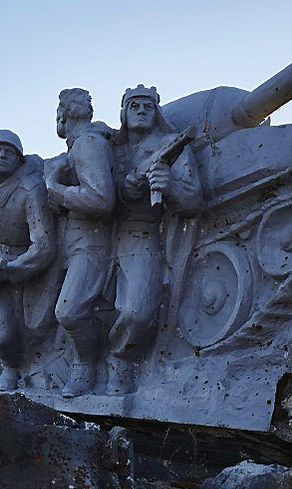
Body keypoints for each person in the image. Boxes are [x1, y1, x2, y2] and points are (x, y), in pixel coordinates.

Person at [108, 85, 203, 394]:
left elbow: (193, 199)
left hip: (142, 233)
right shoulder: (110, 148)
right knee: (70, 311)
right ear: (123, 113)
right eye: (133, 105)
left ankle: (120, 361)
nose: (141, 110)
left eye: (148, 105)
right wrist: (125, 187)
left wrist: (171, 185)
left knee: (137, 311)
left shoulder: (172, 145)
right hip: (96, 235)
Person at [0, 130, 56, 391]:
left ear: (19, 158)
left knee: (37, 327)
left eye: (9, 151)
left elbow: (44, 244)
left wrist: (12, 270)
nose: (2, 155)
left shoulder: (31, 188)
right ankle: (8, 366)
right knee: (2, 334)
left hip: (27, 261)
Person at [44, 88, 117, 398]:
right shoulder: (76, 148)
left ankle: (86, 367)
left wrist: (56, 189)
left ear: (63, 115)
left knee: (69, 311)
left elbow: (101, 199)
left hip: (92, 243)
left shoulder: (87, 144)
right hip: (71, 243)